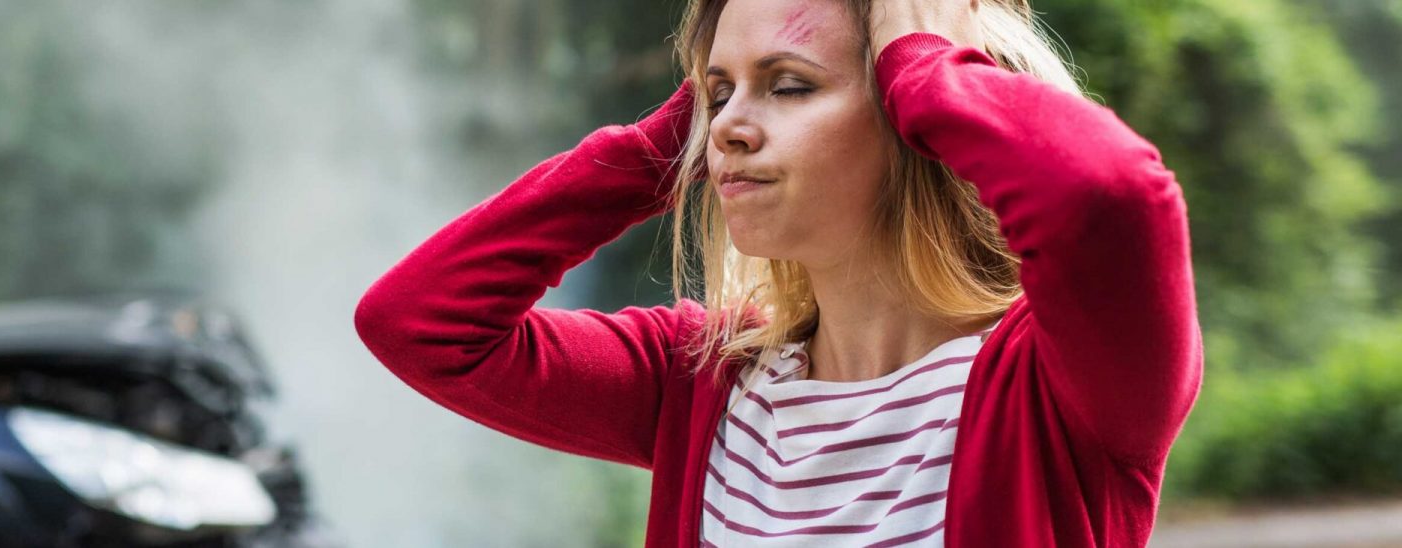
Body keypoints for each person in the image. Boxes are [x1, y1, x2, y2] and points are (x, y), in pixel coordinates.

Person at [353, 0, 1202, 545]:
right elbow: (418, 323)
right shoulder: (702, 379)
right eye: (716, 93)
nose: (728, 129)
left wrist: (929, 69)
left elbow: (1110, 194)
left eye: (790, 86)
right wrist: (666, 141)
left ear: (919, 117)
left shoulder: (1061, 390)